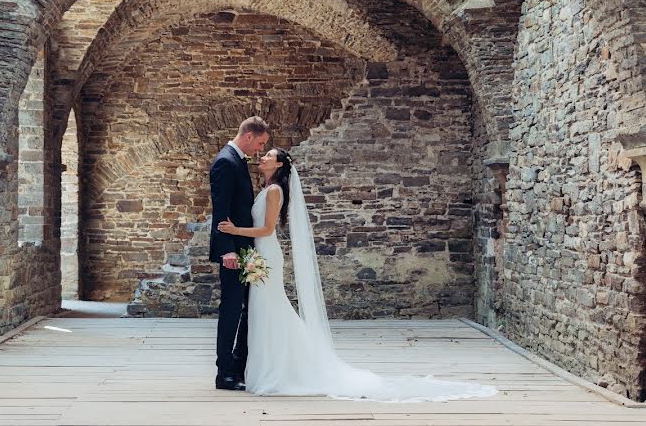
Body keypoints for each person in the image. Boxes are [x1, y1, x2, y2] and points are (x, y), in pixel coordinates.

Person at [218, 148, 498, 401]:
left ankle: (285, 367)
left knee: (269, 309)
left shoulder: (275, 190)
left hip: (267, 253)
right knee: (263, 310)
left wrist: (235, 231)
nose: (262, 157)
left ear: (278, 164)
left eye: (268, 155)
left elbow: (267, 230)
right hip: (262, 255)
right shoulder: (267, 187)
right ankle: (273, 363)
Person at [209, 116, 270, 391]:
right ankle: (225, 373)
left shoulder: (237, 160)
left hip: (245, 249)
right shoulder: (226, 162)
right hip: (234, 252)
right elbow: (220, 212)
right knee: (232, 310)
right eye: (260, 143)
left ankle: (238, 364)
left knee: (248, 308)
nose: (259, 150)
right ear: (248, 136)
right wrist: (227, 252)